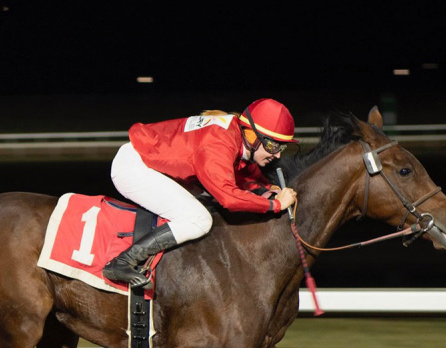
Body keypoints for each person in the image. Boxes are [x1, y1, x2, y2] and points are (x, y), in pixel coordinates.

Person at [102, 98, 299, 287]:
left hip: (153, 162)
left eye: (282, 146)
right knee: (199, 219)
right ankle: (122, 262)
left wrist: (264, 188)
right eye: (273, 145)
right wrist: (275, 205)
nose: (278, 154)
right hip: (136, 168)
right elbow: (229, 198)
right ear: (252, 135)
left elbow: (245, 172)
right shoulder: (218, 143)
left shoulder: (236, 132)